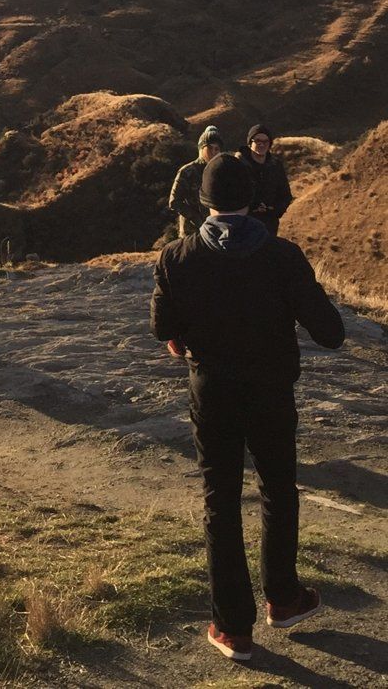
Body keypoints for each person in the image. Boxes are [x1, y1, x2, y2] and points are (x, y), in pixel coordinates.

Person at [150, 152, 345, 663]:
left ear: (203, 202)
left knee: (221, 500)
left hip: (211, 392)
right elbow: (331, 333)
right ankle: (284, 600)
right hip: (271, 391)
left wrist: (185, 339)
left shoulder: (176, 257)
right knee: (278, 488)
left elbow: (162, 328)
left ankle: (233, 628)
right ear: (253, 201)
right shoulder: (282, 256)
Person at [236, 123, 293, 236]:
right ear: (250, 143)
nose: (261, 144)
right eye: (257, 141)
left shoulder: (275, 166)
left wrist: (272, 210)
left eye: (265, 141)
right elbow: (233, 194)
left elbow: (285, 195)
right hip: (244, 225)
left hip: (269, 226)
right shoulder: (239, 165)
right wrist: (252, 208)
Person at [168, 125, 224, 237]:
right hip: (192, 231)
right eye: (209, 148)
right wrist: (196, 218)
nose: (213, 152)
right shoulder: (187, 172)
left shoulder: (223, 172)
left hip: (217, 229)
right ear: (201, 149)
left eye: (216, 149)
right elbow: (174, 202)